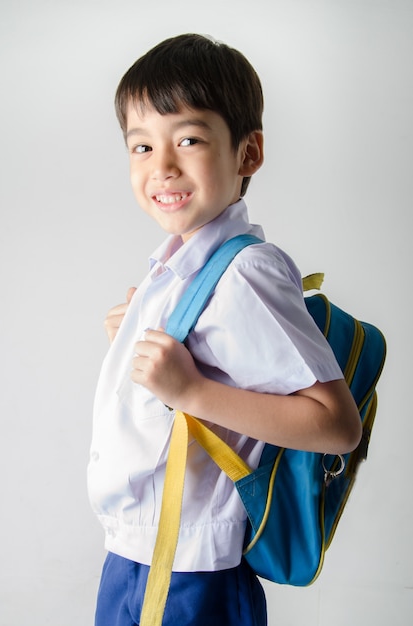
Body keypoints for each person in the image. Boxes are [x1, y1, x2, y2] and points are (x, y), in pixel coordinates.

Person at [88, 33, 362, 626]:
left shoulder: (246, 272)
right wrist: (142, 337)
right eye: (141, 146)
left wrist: (189, 392)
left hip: (190, 569)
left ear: (248, 153)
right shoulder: (181, 267)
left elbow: (336, 425)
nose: (161, 165)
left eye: (188, 139)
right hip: (139, 553)